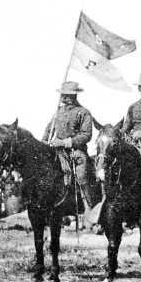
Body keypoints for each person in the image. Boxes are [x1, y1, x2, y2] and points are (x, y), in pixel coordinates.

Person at [42, 81, 94, 213]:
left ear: (76, 96)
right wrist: (44, 143)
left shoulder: (83, 112)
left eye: (70, 95)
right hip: (57, 151)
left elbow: (86, 135)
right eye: (65, 95)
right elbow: (49, 129)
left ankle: (89, 207)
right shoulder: (58, 112)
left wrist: (65, 142)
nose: (67, 98)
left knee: (81, 174)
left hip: (75, 151)